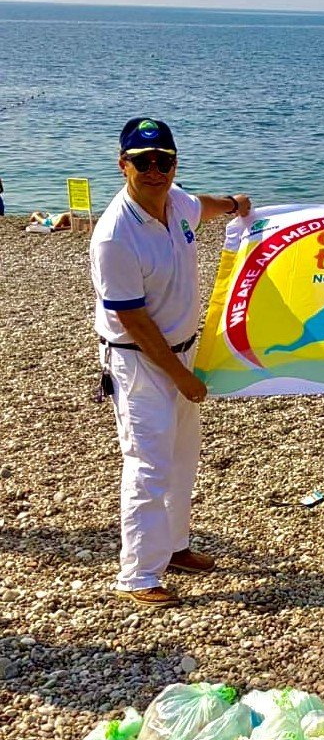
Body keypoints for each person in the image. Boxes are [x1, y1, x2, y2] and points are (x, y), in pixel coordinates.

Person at [90, 117, 251, 608]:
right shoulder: (115, 235)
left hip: (186, 351)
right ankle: (138, 574)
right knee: (148, 465)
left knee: (183, 460)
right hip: (140, 362)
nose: (155, 169)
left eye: (164, 160)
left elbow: (203, 207)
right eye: (143, 162)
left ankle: (176, 547)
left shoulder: (177, 201)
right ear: (124, 166)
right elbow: (133, 319)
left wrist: (235, 205)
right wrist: (181, 376)